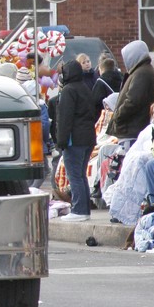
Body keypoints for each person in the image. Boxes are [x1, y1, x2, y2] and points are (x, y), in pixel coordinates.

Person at [54, 59, 98, 222]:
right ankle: (84, 209)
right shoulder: (85, 88)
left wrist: (61, 140)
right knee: (81, 175)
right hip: (88, 137)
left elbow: (65, 118)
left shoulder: (68, 90)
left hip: (74, 139)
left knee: (75, 176)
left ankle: (79, 210)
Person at [106, 101, 154, 225]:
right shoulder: (150, 129)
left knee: (143, 166)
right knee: (130, 169)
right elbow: (138, 147)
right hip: (141, 160)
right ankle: (121, 210)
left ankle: (149, 205)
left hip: (151, 161)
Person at [106, 40, 154, 150]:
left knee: (128, 164)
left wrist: (118, 115)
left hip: (131, 129)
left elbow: (133, 100)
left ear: (133, 56)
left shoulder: (141, 73)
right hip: (132, 128)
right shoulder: (142, 71)